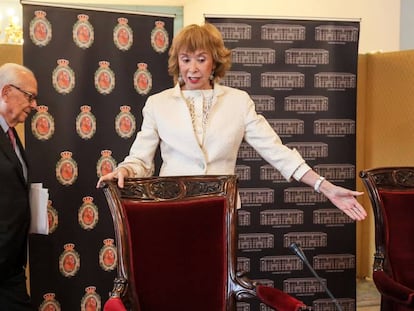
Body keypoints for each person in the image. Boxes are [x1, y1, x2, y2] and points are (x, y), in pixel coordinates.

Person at [97, 23, 366, 222]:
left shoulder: (239, 102)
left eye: (201, 59)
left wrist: (325, 187)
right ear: (176, 61)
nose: (192, 68)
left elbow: (277, 152)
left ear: (214, 62)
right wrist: (125, 171)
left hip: (220, 211)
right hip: (171, 208)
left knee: (214, 286)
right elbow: (140, 159)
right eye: (185, 59)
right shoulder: (158, 103)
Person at [0, 63, 38, 309]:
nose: (34, 105)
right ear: (5, 92)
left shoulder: (12, 137)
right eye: (30, 96)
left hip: (11, 266)